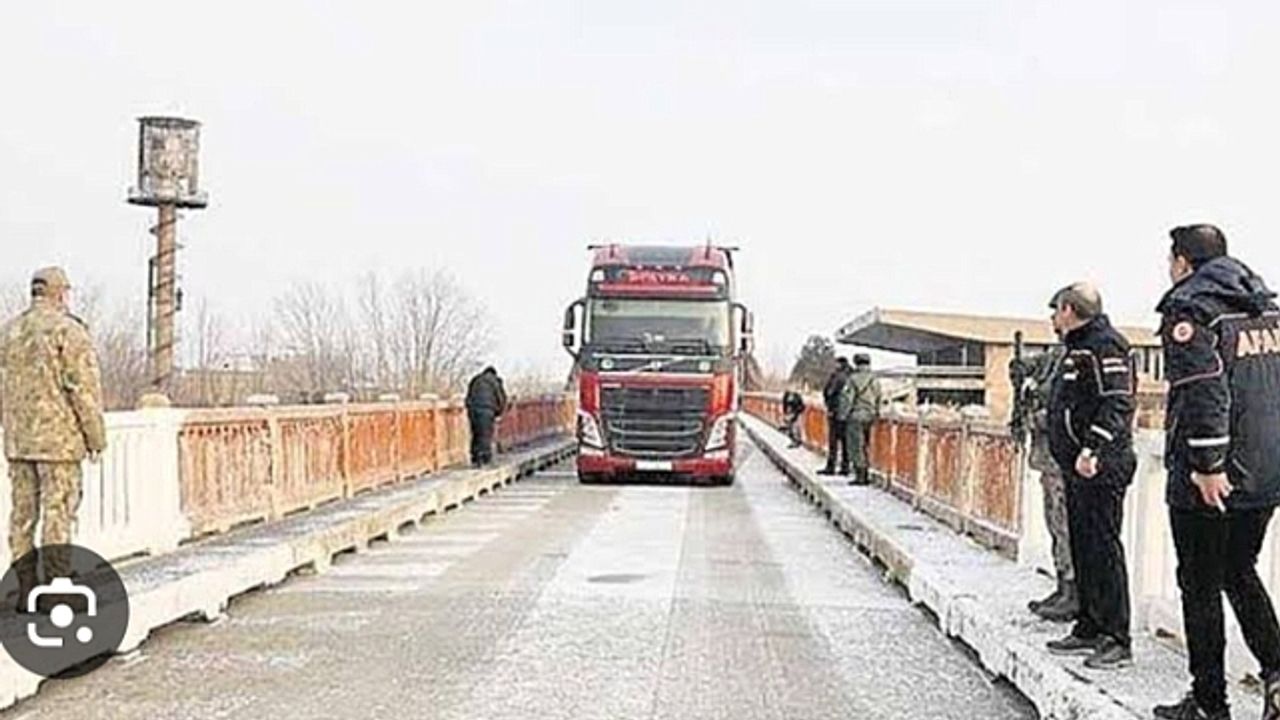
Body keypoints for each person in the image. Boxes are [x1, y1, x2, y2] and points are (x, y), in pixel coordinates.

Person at [1151, 225, 1280, 720]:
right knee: (1239, 571)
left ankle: (1209, 703)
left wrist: (1207, 464)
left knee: (1200, 583)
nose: (1168, 269)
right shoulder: (1264, 308)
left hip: (1213, 477)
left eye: (1170, 259)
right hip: (1264, 473)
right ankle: (1276, 677)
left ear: (1183, 261)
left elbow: (1204, 390)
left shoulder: (1191, 309)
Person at [1043, 282, 1137, 670]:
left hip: (1101, 465)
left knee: (1104, 548)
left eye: (1055, 310)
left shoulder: (1106, 346)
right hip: (1077, 466)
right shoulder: (1077, 347)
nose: (1051, 318)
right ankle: (1089, 626)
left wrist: (1093, 448)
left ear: (1069, 310)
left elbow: (1117, 402)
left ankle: (1117, 637)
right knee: (1083, 547)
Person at [0, 267, 106, 600]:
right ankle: (55, 587)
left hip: (18, 442)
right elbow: (81, 389)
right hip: (58, 442)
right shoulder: (68, 331)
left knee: (22, 515)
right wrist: (95, 437)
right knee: (58, 512)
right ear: (60, 293)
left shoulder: (9, 332)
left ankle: (24, 587)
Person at [1010, 344, 1078, 622]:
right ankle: (1063, 584)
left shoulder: (1076, 356)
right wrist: (1018, 369)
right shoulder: (1055, 356)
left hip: (1062, 459)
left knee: (1065, 527)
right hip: (1048, 459)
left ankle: (1073, 591)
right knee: (1055, 525)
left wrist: (1034, 417)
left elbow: (1067, 409)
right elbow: (1030, 366)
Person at [838, 354, 882, 485]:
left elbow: (847, 399)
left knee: (856, 446)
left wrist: (842, 415)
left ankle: (860, 475)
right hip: (870, 416)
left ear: (856, 363)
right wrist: (876, 413)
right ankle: (867, 472)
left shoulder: (852, 379)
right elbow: (879, 397)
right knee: (867, 445)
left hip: (856, 416)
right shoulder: (874, 379)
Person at [464, 366, 507, 466]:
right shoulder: (495, 381)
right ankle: (484, 457)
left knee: (476, 432)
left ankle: (474, 456)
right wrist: (499, 412)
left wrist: (469, 407)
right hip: (487, 410)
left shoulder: (475, 379)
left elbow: (469, 395)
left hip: (473, 409)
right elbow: (501, 397)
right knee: (485, 434)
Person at [818, 357, 853, 475]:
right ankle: (845, 467)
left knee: (833, 441)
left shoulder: (837, 377)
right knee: (845, 441)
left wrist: (829, 406)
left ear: (839, 364)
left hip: (835, 412)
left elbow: (829, 392)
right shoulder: (851, 376)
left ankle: (831, 466)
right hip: (848, 413)